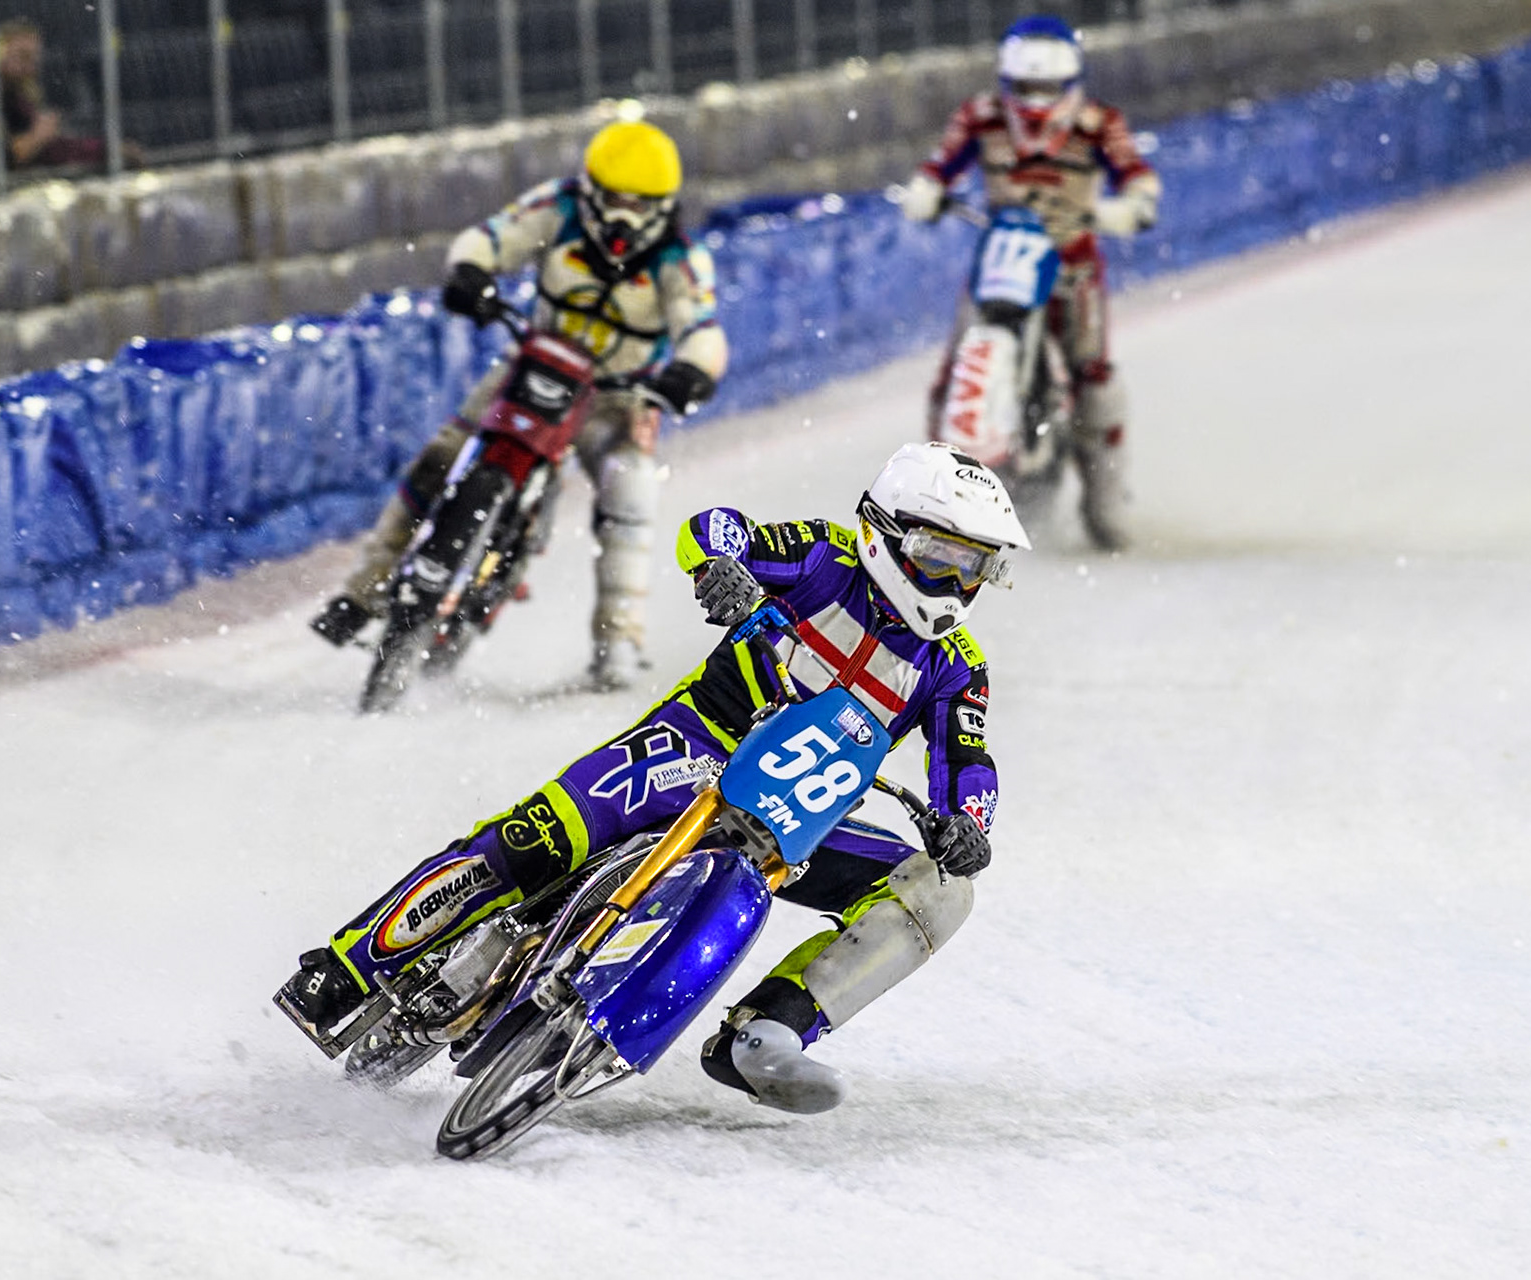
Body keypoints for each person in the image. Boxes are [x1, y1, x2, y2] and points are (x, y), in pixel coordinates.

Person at [281, 442, 1029, 1113]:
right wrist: (722, 569)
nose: (958, 583)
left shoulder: (958, 666)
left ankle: (770, 1034)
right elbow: (715, 528)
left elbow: (968, 757)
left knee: (940, 892)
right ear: (885, 532)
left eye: (975, 565)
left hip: (800, 813)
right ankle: (345, 970)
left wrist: (968, 823)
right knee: (538, 838)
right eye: (942, 556)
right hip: (694, 743)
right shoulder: (823, 556)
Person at [311, 119, 728, 690]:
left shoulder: (680, 259)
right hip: (534, 367)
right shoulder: (557, 208)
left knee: (630, 491)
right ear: (590, 191)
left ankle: (618, 643)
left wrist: (690, 372)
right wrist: (471, 274)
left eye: (641, 204)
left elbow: (701, 327)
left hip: (617, 397)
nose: (624, 218)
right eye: (613, 200)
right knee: (439, 459)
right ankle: (363, 592)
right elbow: (490, 237)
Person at [899, 15, 1162, 550]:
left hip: (1073, 267)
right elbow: (939, 164)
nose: (1035, 102)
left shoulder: (1098, 122)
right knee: (951, 376)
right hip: (999, 258)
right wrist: (926, 189)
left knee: (1094, 378)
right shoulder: (980, 116)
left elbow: (1135, 173)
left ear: (1071, 85)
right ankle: (929, 501)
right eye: (1024, 88)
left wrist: (1133, 206)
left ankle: (1106, 505)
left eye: (1048, 88)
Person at [0, 19, 139, 170]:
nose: (31, 67)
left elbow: (57, 149)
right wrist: (39, 135)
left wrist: (104, 150)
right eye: (23, 56)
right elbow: (3, 157)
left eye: (35, 58)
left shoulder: (21, 94)